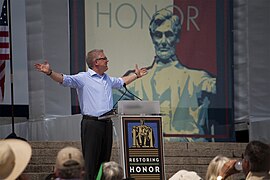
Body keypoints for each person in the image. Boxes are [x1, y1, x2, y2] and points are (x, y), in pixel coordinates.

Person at [34, 49, 148, 180]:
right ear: (96, 62)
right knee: (90, 161)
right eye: (104, 58)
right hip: (92, 123)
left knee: (104, 162)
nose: (107, 61)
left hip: (107, 122)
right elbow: (64, 79)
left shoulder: (107, 79)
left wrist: (136, 75)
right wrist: (49, 72)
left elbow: (122, 81)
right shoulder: (83, 78)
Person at [122, 8, 216, 142]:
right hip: (148, 147)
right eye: (159, 35)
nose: (164, 41)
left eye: (169, 34)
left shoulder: (198, 79)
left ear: (177, 37)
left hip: (188, 150)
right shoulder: (136, 83)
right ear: (153, 38)